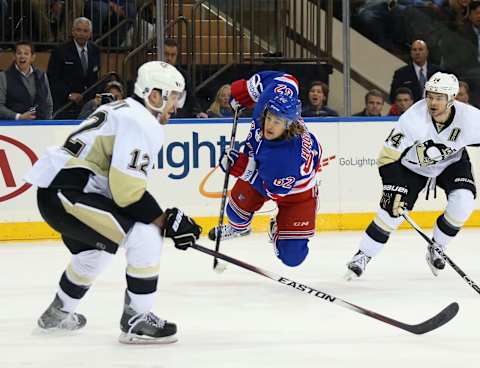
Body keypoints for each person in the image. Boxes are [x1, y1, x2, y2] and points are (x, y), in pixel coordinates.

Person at [24, 61, 202, 343]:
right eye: (173, 97)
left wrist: (165, 218)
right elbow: (127, 193)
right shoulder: (141, 120)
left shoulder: (121, 110)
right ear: (154, 95)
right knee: (146, 234)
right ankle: (137, 320)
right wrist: (165, 221)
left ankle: (57, 314)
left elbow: (121, 191)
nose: (177, 106)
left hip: (58, 193)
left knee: (95, 252)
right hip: (69, 194)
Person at [345, 72, 480, 279]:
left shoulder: (470, 118)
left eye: (439, 97)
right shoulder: (413, 118)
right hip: (411, 167)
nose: (432, 102)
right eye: (430, 95)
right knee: (391, 212)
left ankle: (438, 247)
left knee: (463, 201)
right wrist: (393, 187)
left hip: (451, 162)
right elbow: (386, 157)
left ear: (452, 98)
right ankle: (363, 255)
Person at [208, 71, 322, 267]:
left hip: (298, 192)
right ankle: (239, 229)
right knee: (235, 214)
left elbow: (273, 192)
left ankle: (278, 227)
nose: (269, 125)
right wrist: (247, 89)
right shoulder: (268, 103)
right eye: (269, 118)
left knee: (293, 258)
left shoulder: (285, 159)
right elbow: (287, 79)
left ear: (289, 125)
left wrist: (244, 169)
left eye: (277, 122)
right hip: (266, 171)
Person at [47, 17, 100, 119]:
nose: (81, 34)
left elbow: (94, 78)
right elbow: (52, 79)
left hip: (87, 106)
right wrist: (69, 94)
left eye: (85, 31)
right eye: (78, 30)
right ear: (73, 31)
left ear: (90, 34)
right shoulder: (60, 51)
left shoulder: (95, 50)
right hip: (65, 106)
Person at [0, 41, 53, 120]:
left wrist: (47, 123)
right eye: (19, 53)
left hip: (40, 125)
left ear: (32, 57)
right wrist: (18, 117)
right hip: (13, 126)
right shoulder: (3, 76)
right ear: (14, 56)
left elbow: (48, 103)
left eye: (26, 53)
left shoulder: (41, 75)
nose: (22, 56)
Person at [163, 38, 208, 118]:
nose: (169, 58)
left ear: (177, 55)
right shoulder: (150, 73)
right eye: (166, 54)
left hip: (179, 118)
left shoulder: (183, 75)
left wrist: (198, 112)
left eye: (173, 55)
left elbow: (191, 97)